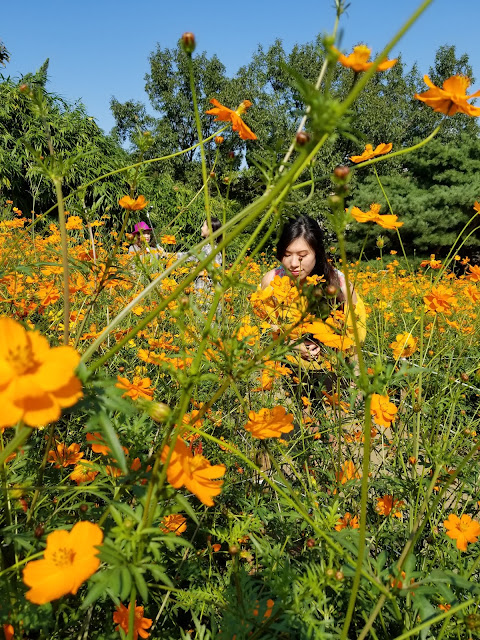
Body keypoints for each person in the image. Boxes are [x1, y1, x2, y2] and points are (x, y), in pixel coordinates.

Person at [260, 214, 366, 366]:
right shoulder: (272, 281)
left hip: (333, 369)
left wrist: (354, 378)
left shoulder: (341, 285)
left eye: (302, 256)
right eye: (287, 255)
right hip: (284, 367)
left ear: (318, 252)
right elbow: (266, 329)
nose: (293, 263)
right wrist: (292, 344)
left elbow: (354, 344)